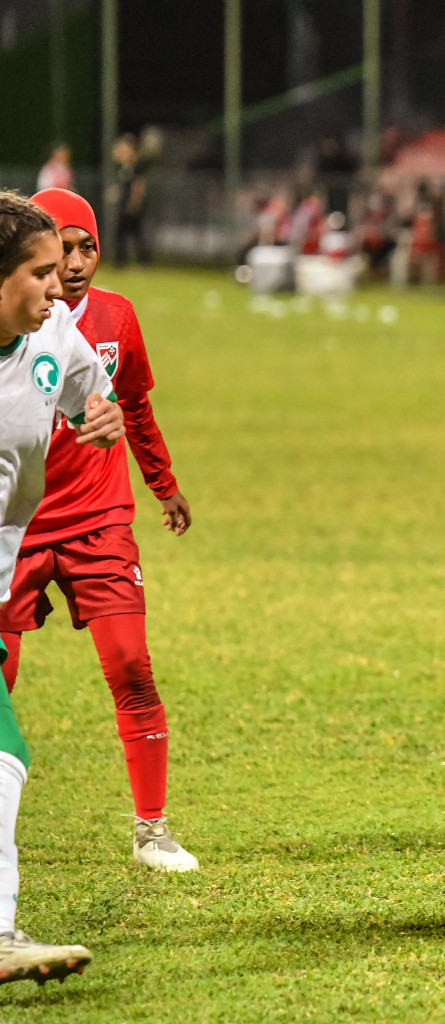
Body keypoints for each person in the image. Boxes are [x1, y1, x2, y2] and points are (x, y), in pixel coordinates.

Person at [4, 190, 198, 873]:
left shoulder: (113, 318)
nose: (78, 263)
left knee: (131, 665)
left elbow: (131, 404)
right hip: (15, 526)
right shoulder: (19, 317)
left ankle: (152, 829)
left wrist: (161, 482)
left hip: (97, 518)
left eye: (89, 246)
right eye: (64, 248)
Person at [0, 189, 128, 982]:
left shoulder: (51, 337)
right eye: (42, 273)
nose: (60, 288)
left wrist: (102, 414)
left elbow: (89, 390)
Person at [107, 135, 149, 268]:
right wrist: (115, 193)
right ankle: (123, 261)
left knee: (131, 234)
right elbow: (124, 187)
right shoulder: (124, 168)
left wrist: (134, 203)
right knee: (128, 234)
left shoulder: (136, 166)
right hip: (124, 204)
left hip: (130, 206)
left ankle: (127, 262)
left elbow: (138, 186)